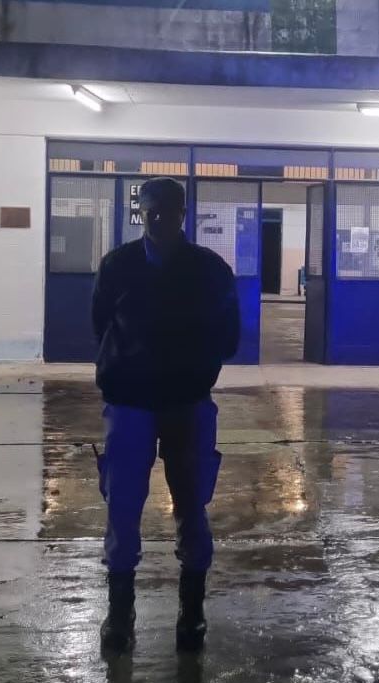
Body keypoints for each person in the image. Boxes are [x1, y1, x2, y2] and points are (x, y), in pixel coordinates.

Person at [92, 178, 239, 653]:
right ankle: (120, 616)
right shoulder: (117, 266)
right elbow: (101, 325)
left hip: (187, 403)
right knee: (122, 507)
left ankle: (191, 614)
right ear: (141, 213)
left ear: (183, 214)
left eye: (167, 212)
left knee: (191, 508)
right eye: (150, 211)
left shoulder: (210, 270)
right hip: (130, 402)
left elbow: (230, 337)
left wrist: (192, 368)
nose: (158, 220)